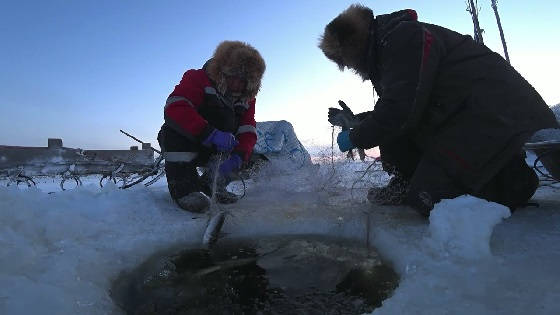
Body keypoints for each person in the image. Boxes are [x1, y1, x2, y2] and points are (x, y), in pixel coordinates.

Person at [319, 4, 559, 216]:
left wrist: (356, 136)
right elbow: (404, 105)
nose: (347, 67)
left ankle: (512, 180)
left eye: (343, 60)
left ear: (352, 46)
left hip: (498, 114)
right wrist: (357, 121)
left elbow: (401, 112)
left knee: (430, 199)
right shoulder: (386, 47)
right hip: (467, 116)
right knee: (398, 143)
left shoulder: (402, 38)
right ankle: (408, 181)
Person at [158, 41, 265, 212]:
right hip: (192, 141)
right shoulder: (197, 78)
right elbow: (175, 108)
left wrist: (239, 155)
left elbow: (248, 129)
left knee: (254, 158)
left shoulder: (247, 99)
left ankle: (213, 184)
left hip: (219, 149)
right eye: (233, 76)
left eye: (243, 80)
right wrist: (211, 134)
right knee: (173, 134)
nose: (237, 84)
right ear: (222, 71)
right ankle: (184, 188)